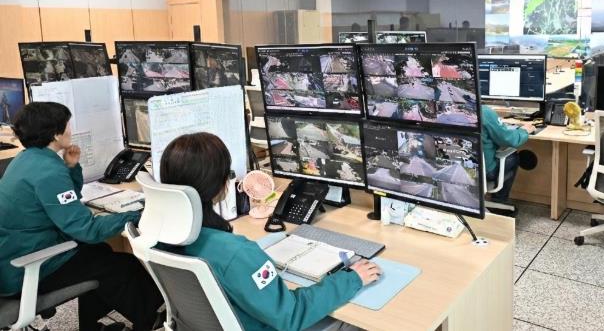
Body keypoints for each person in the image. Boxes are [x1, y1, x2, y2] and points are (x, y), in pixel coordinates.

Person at [159, 132, 381, 331]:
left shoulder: (158, 233)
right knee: (355, 323)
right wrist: (351, 279)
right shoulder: (236, 254)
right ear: (221, 185)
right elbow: (291, 314)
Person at [0, 102, 163, 331]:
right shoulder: (48, 172)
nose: (71, 130)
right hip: (27, 269)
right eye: (68, 125)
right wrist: (135, 216)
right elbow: (87, 230)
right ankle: (154, 321)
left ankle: (91, 325)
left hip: (14, 256)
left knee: (100, 253)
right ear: (55, 134)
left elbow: (66, 199)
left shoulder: (27, 159)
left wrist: (70, 167)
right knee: (120, 266)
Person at [481, 105, 535, 204]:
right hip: (484, 172)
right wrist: (524, 131)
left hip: (458, 168)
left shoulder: (450, 110)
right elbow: (509, 140)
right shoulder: (484, 112)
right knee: (511, 157)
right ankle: (498, 202)